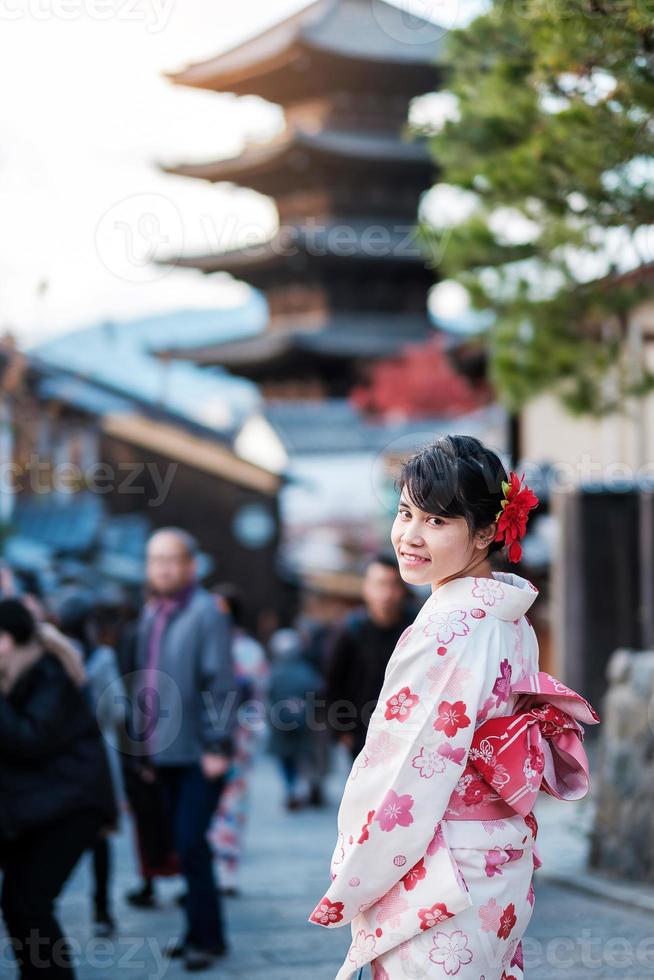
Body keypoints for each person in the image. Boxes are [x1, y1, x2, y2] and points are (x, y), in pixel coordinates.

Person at [310, 435, 597, 979]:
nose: (410, 537)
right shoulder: (511, 616)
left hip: (442, 870)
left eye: (438, 522)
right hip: (497, 857)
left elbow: (406, 765)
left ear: (488, 532)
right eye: (405, 513)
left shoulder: (448, 626)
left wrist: (358, 866)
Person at [132, 528, 236, 972]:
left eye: (172, 560)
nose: (163, 568)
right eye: (155, 560)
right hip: (162, 752)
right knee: (182, 844)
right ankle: (198, 930)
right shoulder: (150, 613)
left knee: (192, 841)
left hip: (200, 752)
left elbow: (222, 682)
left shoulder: (206, 613)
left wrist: (219, 744)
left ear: (191, 565)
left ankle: (208, 939)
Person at [0, 598, 116, 979]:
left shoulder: (47, 674)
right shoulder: (17, 676)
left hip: (72, 806)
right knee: (19, 904)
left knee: (30, 903)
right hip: (41, 807)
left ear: (7, 640)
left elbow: (30, 739)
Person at [54, 589, 126, 938]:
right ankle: (102, 910)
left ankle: (45, 903)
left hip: (55, 759)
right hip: (97, 758)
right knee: (99, 837)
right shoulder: (103, 657)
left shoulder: (52, 656)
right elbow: (117, 711)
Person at [208, 584, 269, 895]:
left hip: (239, 737)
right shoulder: (205, 644)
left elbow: (257, 697)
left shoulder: (248, 650)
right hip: (204, 737)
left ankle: (227, 869)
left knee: (233, 803)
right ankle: (205, 869)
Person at [325, 555, 415, 759]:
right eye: (379, 584)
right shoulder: (349, 629)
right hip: (360, 730)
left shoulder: (415, 625)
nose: (386, 593)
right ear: (366, 588)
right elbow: (332, 682)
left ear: (402, 590)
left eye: (393, 585)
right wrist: (341, 730)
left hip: (405, 729)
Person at [267, 628, 322, 810]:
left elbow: (267, 696)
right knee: (304, 757)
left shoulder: (273, 672)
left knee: (286, 760)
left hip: (280, 725)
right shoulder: (306, 671)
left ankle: (292, 790)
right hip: (303, 724)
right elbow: (317, 690)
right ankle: (307, 787)